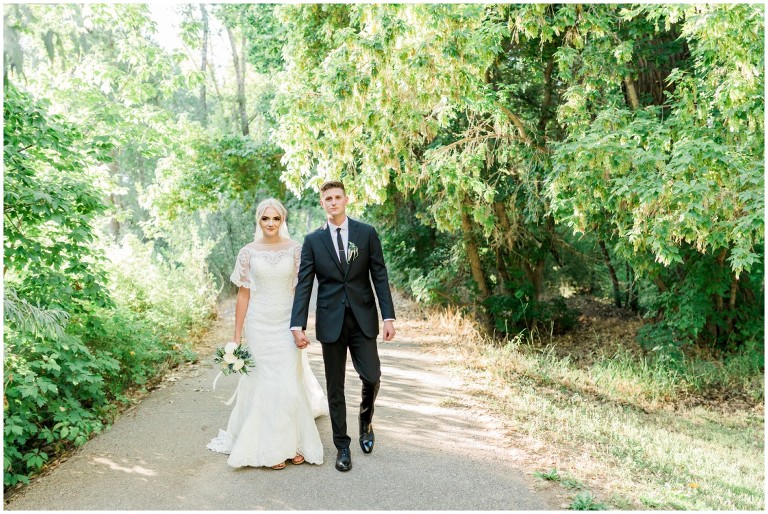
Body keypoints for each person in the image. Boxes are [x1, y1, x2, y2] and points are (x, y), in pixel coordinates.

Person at [207, 198, 327, 470]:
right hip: (259, 324)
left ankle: (293, 442)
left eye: (276, 218)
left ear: (282, 221)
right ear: (258, 221)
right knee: (264, 384)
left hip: (287, 323)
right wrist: (236, 337)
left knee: (287, 384)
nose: (271, 223)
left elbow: (302, 291)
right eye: (265, 219)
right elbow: (243, 295)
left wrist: (300, 326)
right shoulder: (248, 252)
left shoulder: (296, 250)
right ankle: (273, 449)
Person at [290, 180, 396, 472]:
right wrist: (297, 323)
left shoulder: (366, 233)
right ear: (322, 203)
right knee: (334, 387)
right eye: (328, 198)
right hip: (330, 321)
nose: (333, 202)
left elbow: (379, 276)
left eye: (338, 197)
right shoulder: (313, 240)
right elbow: (304, 285)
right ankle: (342, 446)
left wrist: (388, 316)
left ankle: (366, 421)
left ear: (346, 200)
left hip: (363, 318)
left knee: (372, 376)